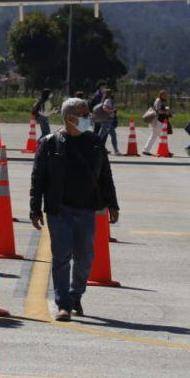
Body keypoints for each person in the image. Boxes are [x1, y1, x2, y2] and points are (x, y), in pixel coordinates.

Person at [30, 98, 119, 321]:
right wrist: (34, 208)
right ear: (70, 118)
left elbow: (105, 176)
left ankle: (75, 294)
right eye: (84, 114)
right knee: (61, 257)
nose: (89, 117)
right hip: (59, 210)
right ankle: (64, 304)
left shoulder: (95, 143)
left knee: (85, 257)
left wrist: (112, 204)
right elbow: (38, 177)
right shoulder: (50, 143)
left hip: (87, 209)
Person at [142, 89, 172, 156]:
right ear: (161, 95)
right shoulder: (158, 101)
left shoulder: (161, 101)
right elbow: (158, 111)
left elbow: (161, 109)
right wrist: (166, 111)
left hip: (160, 121)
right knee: (162, 136)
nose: (165, 96)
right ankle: (165, 151)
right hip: (158, 121)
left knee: (154, 136)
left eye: (166, 95)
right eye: (164, 95)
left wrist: (166, 109)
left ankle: (146, 150)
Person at [94, 88, 120, 155]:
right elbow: (105, 108)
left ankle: (116, 151)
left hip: (109, 121)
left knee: (113, 135)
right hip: (107, 121)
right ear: (110, 94)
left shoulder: (105, 100)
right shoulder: (108, 100)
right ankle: (92, 147)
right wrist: (112, 111)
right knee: (101, 135)